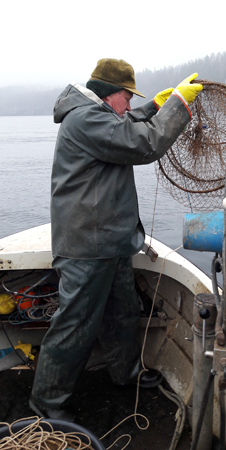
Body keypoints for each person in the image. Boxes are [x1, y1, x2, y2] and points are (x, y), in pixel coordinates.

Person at [29, 58, 203, 422]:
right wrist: (178, 108)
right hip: (86, 247)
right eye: (128, 96)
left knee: (123, 313)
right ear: (110, 94)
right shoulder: (85, 119)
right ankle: (47, 405)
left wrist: (154, 107)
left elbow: (124, 123)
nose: (129, 103)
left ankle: (125, 374)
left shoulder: (99, 115)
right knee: (75, 324)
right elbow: (146, 143)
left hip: (112, 241)